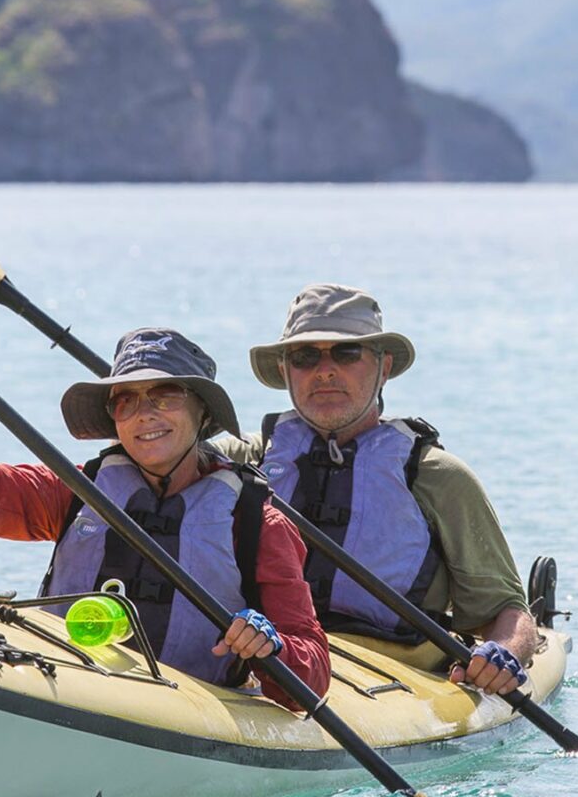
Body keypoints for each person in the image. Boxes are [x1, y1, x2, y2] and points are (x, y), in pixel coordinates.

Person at [0, 321, 329, 707]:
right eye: (126, 400)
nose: (145, 414)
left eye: (165, 395)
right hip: (67, 687)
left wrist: (270, 646)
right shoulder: (78, 490)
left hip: (186, 711)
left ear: (202, 412)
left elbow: (312, 674)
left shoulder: (258, 523)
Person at [214, 283, 536, 696]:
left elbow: (507, 609)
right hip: (267, 656)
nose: (325, 370)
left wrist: (504, 655)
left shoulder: (438, 477)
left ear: (383, 368)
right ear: (284, 370)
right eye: (305, 356)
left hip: (393, 678)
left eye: (347, 353)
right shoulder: (240, 464)